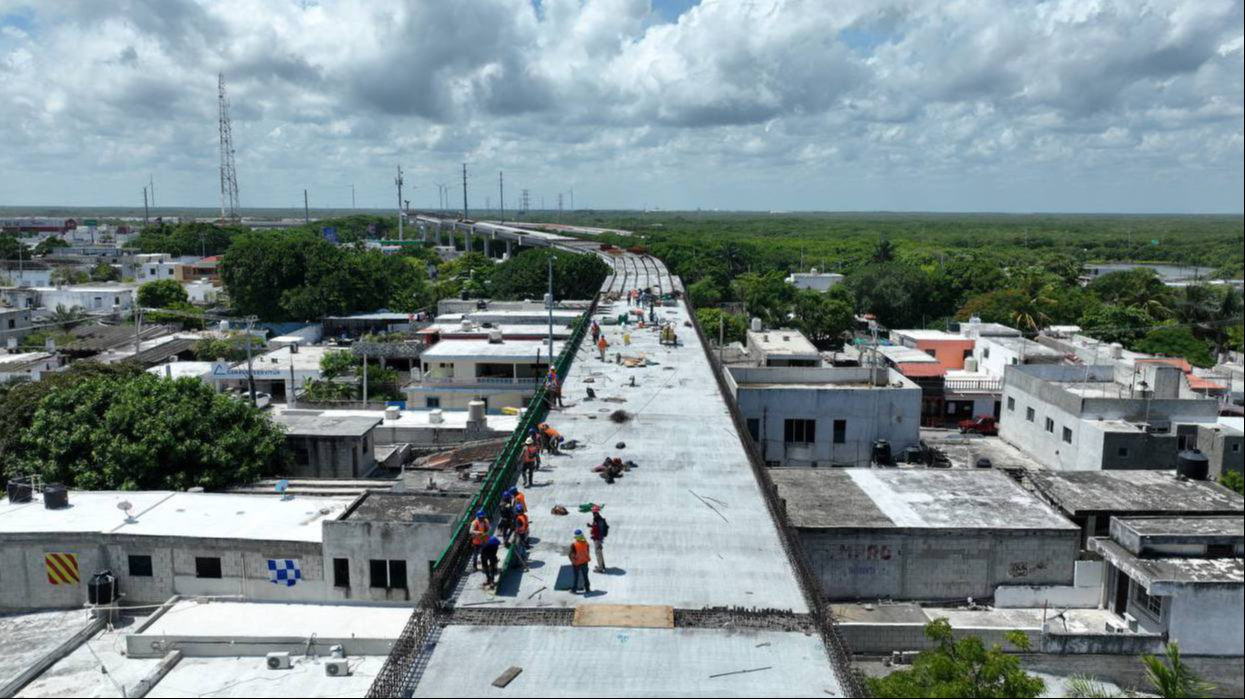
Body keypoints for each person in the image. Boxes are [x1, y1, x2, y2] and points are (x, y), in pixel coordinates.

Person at [568, 530, 592, 595]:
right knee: (585, 576)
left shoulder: (574, 545)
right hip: (584, 562)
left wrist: (573, 562)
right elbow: (587, 552)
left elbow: (570, 555)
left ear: (576, 537)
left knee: (576, 577)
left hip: (577, 563)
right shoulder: (586, 543)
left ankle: (574, 590)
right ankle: (587, 588)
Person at [589, 506, 609, 574]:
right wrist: (591, 526)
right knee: (599, 553)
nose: (593, 513)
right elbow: (596, 528)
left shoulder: (598, 520)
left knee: (598, 554)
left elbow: (599, 531)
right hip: (597, 539)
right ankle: (602, 566)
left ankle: (600, 568)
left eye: (593, 512)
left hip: (598, 539)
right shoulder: (596, 519)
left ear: (596, 512)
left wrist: (598, 540)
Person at [513, 504, 531, 572]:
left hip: (520, 534)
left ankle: (521, 563)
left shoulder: (518, 519)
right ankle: (524, 561)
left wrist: (514, 537)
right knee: (523, 548)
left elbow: (517, 529)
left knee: (519, 549)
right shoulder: (525, 516)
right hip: (525, 533)